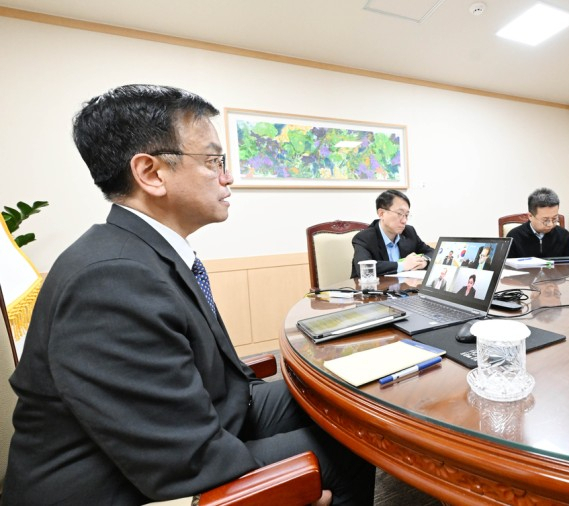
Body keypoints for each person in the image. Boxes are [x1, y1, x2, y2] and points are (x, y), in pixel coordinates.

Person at [3, 85, 374, 505]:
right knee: (347, 449)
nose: (228, 176)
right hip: (114, 483)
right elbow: (185, 461)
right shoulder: (112, 279)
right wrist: (294, 486)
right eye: (214, 161)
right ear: (151, 173)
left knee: (344, 402)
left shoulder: (141, 249)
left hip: (205, 415)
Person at [351, 189, 433, 278]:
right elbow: (364, 268)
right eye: (399, 213)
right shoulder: (364, 238)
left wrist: (425, 261)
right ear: (381, 213)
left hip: (404, 288)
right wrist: (403, 265)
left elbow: (432, 252)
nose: (404, 220)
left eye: (406, 215)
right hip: (373, 289)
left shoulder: (409, 232)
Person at [506, 188, 569, 258]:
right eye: (546, 220)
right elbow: (508, 267)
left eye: (554, 219)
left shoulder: (564, 235)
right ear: (530, 216)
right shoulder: (514, 236)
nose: (550, 224)